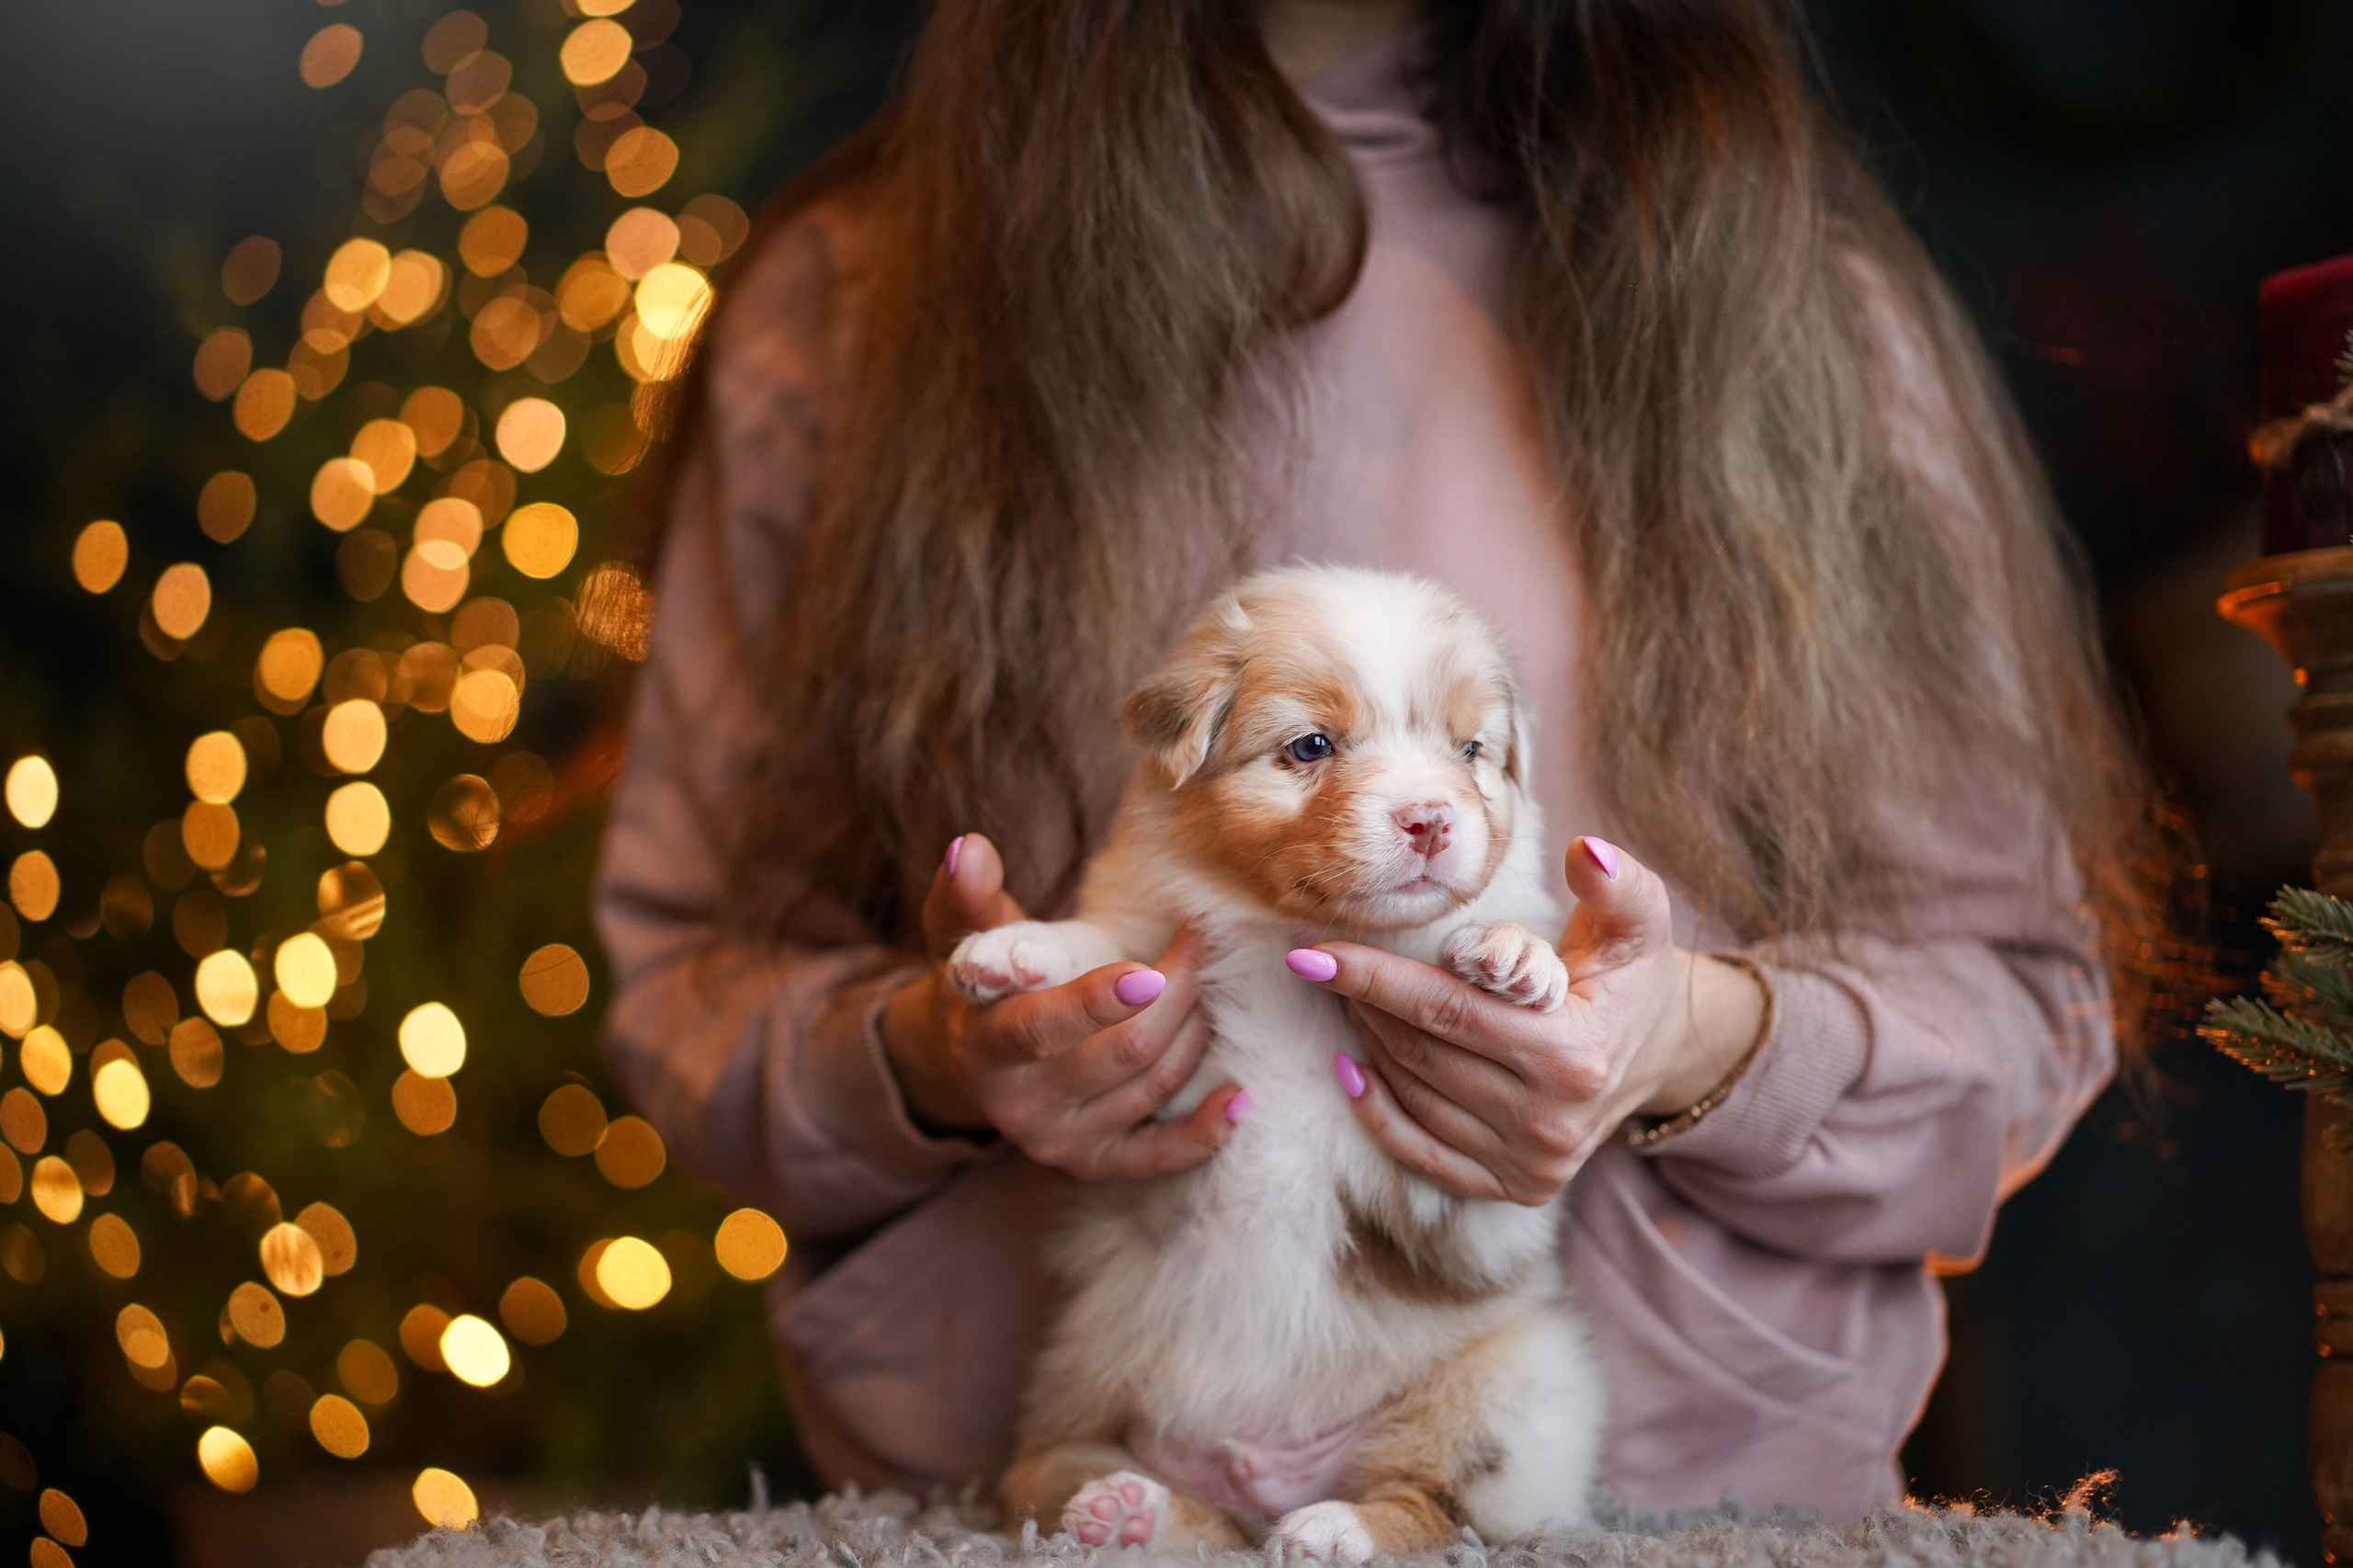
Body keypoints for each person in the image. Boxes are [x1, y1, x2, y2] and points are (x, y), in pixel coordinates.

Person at [596, 0, 2161, 1517]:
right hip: (1047, 1502)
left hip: (1687, 1502)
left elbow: (2021, 999)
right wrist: (939, 1055)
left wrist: (1691, 1039)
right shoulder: (861, 301)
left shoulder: (1791, 295)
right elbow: (691, 985)